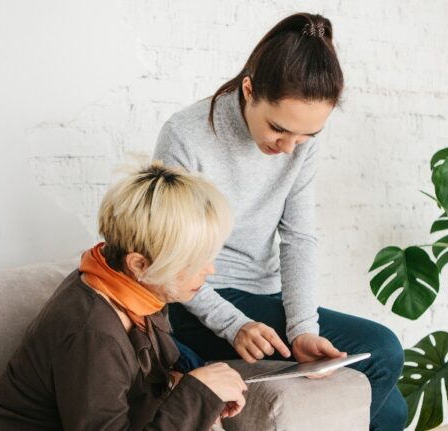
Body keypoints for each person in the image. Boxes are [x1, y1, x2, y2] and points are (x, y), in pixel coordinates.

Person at [153, 12, 407, 430]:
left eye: (307, 136)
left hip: (263, 299)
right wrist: (233, 325)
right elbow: (169, 257)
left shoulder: (298, 142)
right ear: (249, 90)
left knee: (394, 409)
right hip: (195, 301)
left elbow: (299, 239)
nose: (289, 148)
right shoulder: (186, 136)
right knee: (383, 350)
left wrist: (303, 328)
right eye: (278, 129)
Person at [0, 164, 246, 430]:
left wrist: (193, 394)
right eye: (195, 261)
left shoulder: (132, 289)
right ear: (139, 264)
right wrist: (196, 395)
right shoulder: (93, 332)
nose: (210, 270)